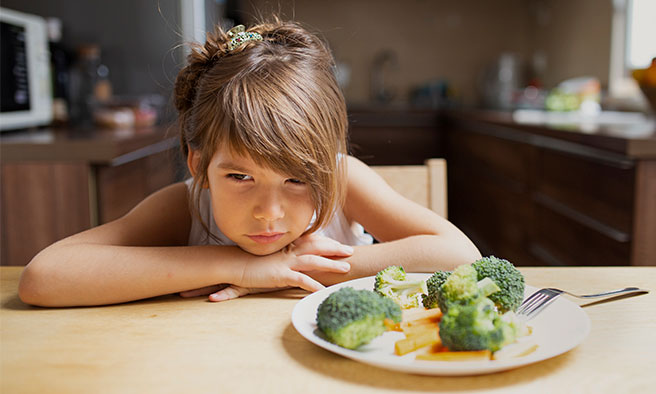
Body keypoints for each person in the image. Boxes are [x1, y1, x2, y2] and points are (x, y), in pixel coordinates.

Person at [18, 19, 481, 307]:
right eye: (240, 176)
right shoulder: (186, 206)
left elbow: (461, 255)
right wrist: (235, 265)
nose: (269, 213)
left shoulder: (344, 178)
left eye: (298, 179)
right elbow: (45, 277)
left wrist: (301, 265)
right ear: (197, 164)